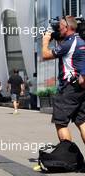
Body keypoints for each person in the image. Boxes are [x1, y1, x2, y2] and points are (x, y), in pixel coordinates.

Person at [42, 16, 85, 144]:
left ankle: (68, 159)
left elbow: (45, 55)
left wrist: (45, 40)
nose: (59, 28)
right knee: (82, 122)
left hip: (68, 89)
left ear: (67, 28)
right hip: (80, 88)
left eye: (60, 26)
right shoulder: (80, 41)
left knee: (61, 123)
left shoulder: (68, 44)